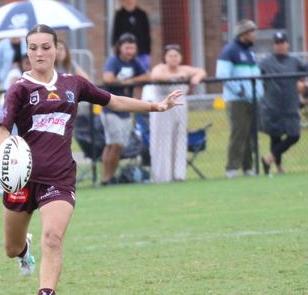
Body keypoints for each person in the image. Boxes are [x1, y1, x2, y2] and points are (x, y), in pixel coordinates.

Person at [0, 24, 183, 295]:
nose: (39, 52)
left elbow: (114, 100)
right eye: (33, 47)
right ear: (27, 52)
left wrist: (156, 106)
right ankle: (24, 248)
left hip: (59, 176)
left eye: (45, 47)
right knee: (11, 247)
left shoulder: (73, 84)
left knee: (53, 237)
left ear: (57, 49)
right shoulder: (19, 88)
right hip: (21, 178)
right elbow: (3, 129)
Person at [258, 32, 308, 175]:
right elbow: (253, 74)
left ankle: (268, 159)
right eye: (277, 43)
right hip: (272, 106)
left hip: (290, 105)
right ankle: (278, 168)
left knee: (294, 136)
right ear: (273, 45)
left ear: (287, 44)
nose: (280, 46)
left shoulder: (294, 61)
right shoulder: (265, 63)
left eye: (282, 43)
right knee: (275, 137)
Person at [150, 44, 207, 183]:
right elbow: (155, 76)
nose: (173, 58)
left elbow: (201, 71)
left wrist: (196, 78)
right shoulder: (160, 68)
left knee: (180, 139)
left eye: (176, 55)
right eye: (170, 55)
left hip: (180, 109)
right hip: (163, 109)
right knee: (163, 139)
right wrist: (175, 76)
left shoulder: (184, 69)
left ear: (180, 57)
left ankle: (178, 174)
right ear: (165, 57)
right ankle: (163, 176)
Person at [100, 33, 151, 185]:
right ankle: (106, 177)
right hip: (110, 110)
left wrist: (130, 81)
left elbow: (147, 76)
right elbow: (107, 78)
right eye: (127, 47)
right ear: (120, 48)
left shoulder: (134, 62)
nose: (130, 50)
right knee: (113, 144)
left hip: (126, 110)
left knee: (118, 145)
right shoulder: (113, 61)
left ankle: (110, 176)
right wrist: (123, 82)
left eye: (132, 47)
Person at [216, 19, 263, 178]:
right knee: (238, 133)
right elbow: (222, 75)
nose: (254, 34)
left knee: (250, 134)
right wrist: (240, 91)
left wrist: (259, 92)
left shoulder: (250, 52)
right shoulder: (229, 51)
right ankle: (232, 168)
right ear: (243, 34)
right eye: (251, 31)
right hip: (237, 100)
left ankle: (247, 167)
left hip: (252, 98)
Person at [111, 0, 152, 70]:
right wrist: (116, 48)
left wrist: (147, 51)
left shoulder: (142, 14)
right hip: (124, 53)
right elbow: (115, 33)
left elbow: (146, 33)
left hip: (141, 52)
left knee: (143, 74)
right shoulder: (119, 15)